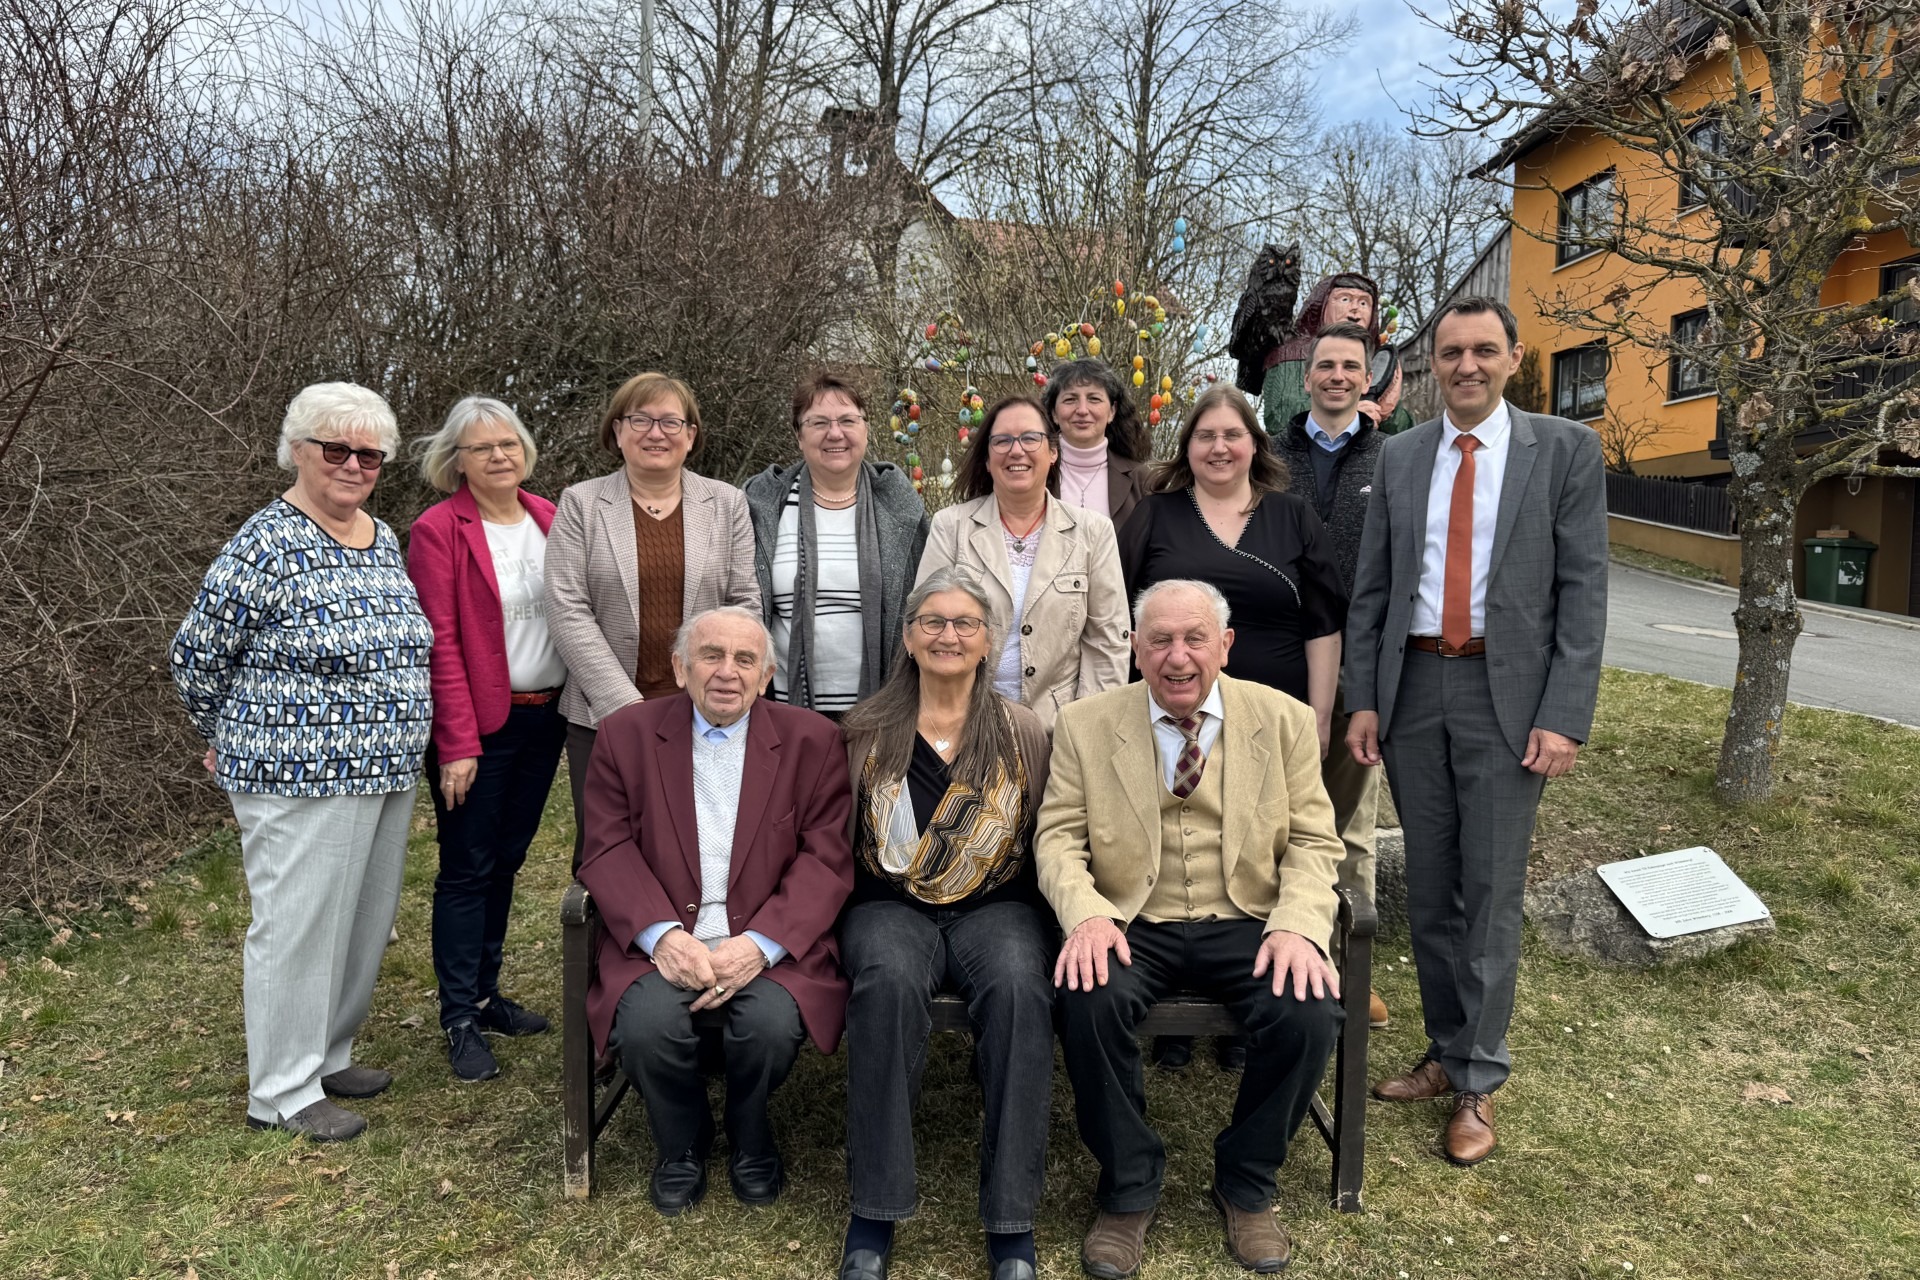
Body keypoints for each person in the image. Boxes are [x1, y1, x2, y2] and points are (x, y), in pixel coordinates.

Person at [1344, 296, 1607, 1166]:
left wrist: (1563, 715)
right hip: (1415, 686)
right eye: (1450, 352)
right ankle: (1443, 1046)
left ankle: (1477, 1082)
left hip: (1507, 695)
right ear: (1431, 364)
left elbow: (1583, 595)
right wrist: (1365, 697)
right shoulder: (1405, 454)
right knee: (1428, 888)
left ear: (1513, 357)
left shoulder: (1564, 451)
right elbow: (1374, 591)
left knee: (1489, 893)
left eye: (1482, 351)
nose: (1466, 365)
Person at [1037, 579, 1346, 1279]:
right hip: (1132, 917)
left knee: (1307, 1010)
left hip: (1247, 916)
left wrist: (1298, 925)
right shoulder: (1086, 723)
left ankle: (1247, 1179)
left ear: (1225, 646)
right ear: (1136, 650)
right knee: (1088, 1000)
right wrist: (1086, 914)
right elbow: (1056, 839)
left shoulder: (1285, 719)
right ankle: (1127, 1185)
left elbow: (1315, 840)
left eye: (1195, 638)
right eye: (1161, 641)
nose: (1178, 657)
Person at [170, 382, 434, 1142]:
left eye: (370, 454)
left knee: (358, 921)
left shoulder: (380, 538)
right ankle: (280, 1091)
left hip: (383, 770)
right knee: (297, 925)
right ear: (298, 450)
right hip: (298, 775)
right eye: (336, 449)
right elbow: (197, 654)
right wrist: (227, 731)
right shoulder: (267, 542)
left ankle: (327, 1053)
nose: (354, 465)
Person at [577, 607, 853, 1215]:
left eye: (745, 660)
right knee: (647, 1029)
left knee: (772, 1028)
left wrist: (759, 945)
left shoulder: (813, 741)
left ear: (766, 675)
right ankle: (682, 1142)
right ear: (680, 667)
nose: (727, 672)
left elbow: (825, 858)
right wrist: (662, 938)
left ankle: (751, 1137)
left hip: (765, 943)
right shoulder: (626, 734)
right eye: (711, 655)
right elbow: (606, 844)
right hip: (661, 939)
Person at [1118, 383, 1346, 1073]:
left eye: (1233, 435)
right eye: (1205, 436)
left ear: (1255, 444)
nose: (1220, 447)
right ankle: (1175, 1019)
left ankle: (1255, 1010)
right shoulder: (1154, 516)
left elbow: (1324, 620)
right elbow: (1119, 618)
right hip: (1170, 717)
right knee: (1182, 844)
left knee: (1257, 850)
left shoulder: (1292, 517)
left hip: (1270, 720)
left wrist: (1320, 713)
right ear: (1187, 448)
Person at [836, 569, 1055, 1280]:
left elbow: (1046, 833)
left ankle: (1011, 1220)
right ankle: (875, 1208)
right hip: (887, 906)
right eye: (932, 621)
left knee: (1023, 989)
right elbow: (836, 836)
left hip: (998, 906)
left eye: (965, 623)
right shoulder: (865, 730)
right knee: (887, 983)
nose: (948, 635)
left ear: (989, 640)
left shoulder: (1023, 731)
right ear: (907, 636)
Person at [407, 396, 567, 1083]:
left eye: (509, 444)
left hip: (546, 717)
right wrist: (457, 742)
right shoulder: (439, 530)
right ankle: (459, 1017)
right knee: (466, 867)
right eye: (482, 448)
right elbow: (438, 640)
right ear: (457, 461)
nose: (499, 456)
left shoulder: (550, 518)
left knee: (507, 858)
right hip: (478, 728)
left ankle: (487, 991)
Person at [546, 372, 760, 867]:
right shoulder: (581, 503)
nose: (655, 432)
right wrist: (627, 707)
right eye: (640, 419)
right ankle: (608, 945)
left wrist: (717, 683)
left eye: (670, 421)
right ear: (617, 431)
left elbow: (744, 600)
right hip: (603, 716)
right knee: (609, 850)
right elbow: (567, 608)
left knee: (701, 845)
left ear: (691, 435)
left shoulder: (726, 503)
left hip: (707, 711)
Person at [1274, 322, 1394, 1033]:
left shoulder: (1396, 460)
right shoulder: (1271, 458)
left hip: (1359, 661)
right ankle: (1280, 949)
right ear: (1307, 375)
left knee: (1351, 824)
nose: (1338, 376)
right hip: (1275, 658)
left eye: (1351, 365)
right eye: (1326, 365)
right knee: (1268, 813)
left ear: (1367, 377)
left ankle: (1350, 971)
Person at [915, 395, 1128, 730]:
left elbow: (1108, 645)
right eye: (1002, 441)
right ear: (987, 458)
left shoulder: (1094, 532)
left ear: (1053, 452)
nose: (1016, 451)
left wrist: (1086, 733)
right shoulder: (950, 527)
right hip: (965, 726)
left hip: (1058, 730)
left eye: (1030, 438)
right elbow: (924, 629)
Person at [743, 373, 929, 718]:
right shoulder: (762, 505)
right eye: (818, 423)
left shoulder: (899, 505)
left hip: (885, 713)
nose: (835, 433)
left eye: (848, 420)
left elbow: (927, 602)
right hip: (783, 712)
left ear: (866, 429)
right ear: (799, 436)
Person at [1257, 272, 1412, 438]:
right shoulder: (1289, 352)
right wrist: (1349, 415)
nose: (1355, 308)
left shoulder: (1376, 361)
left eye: (1363, 302)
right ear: (1322, 305)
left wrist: (1388, 412)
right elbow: (1279, 416)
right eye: (1345, 299)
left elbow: (1406, 438)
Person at [1041, 357, 1157, 532]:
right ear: (1054, 413)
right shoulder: (1034, 471)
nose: (1082, 410)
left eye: (1094, 399)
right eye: (1070, 399)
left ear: (1112, 411)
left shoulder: (1142, 479)